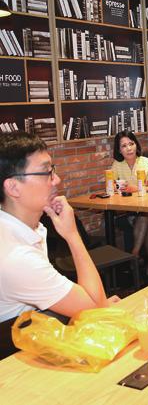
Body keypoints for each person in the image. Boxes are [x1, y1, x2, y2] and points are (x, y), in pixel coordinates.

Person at [0, 132, 111, 324]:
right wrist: (72, 235)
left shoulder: (23, 228)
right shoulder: (17, 257)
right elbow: (96, 311)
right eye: (46, 173)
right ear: (13, 188)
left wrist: (93, 302)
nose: (56, 180)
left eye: (53, 170)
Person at [111, 130, 148, 278]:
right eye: (124, 146)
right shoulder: (117, 165)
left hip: (146, 208)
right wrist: (115, 187)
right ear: (119, 150)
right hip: (126, 211)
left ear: (136, 145)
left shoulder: (147, 163)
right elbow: (112, 186)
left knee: (145, 217)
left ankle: (134, 254)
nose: (129, 148)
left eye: (131, 144)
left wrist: (136, 189)